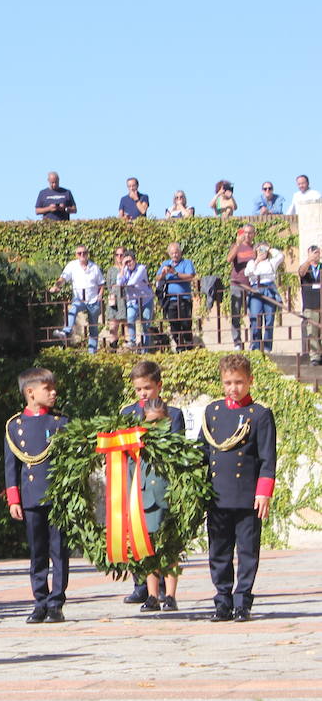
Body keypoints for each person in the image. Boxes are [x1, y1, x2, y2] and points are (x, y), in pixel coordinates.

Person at [199, 353, 275, 622]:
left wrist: (264, 492)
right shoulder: (213, 411)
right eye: (229, 382)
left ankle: (242, 601)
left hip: (246, 496)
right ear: (222, 382)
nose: (234, 388)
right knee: (218, 551)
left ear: (250, 381)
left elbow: (268, 457)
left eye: (239, 382)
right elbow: (203, 452)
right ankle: (222, 600)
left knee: (246, 552)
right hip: (218, 494)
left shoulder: (260, 415)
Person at [3, 367, 71, 624]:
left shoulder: (60, 422)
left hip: (56, 496)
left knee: (58, 551)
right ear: (30, 393)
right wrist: (14, 499)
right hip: (31, 497)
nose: (54, 393)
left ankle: (56, 603)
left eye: (54, 388)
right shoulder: (15, 426)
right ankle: (39, 601)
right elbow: (11, 466)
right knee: (37, 552)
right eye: (48, 389)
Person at [118, 360, 186, 611]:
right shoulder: (127, 414)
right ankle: (150, 594)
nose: (143, 394)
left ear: (159, 386)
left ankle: (170, 595)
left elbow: (177, 449)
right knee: (145, 543)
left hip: (165, 487)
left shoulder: (174, 414)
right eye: (138, 389)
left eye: (147, 387)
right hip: (139, 487)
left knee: (169, 543)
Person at [51, 246, 104, 353]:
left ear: (87, 254)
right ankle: (66, 332)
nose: (82, 255)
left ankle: (92, 352)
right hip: (79, 298)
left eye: (84, 253)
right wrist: (56, 286)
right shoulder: (72, 265)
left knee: (93, 326)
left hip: (93, 299)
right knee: (73, 309)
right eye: (79, 253)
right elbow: (63, 278)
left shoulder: (94, 267)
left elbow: (101, 283)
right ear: (76, 255)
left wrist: (100, 296)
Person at [155, 242, 197, 351]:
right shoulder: (166, 263)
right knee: (173, 324)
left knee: (186, 323)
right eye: (172, 253)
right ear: (169, 254)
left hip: (184, 299)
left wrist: (175, 273)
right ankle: (179, 346)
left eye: (176, 252)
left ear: (180, 252)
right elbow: (157, 278)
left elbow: (190, 277)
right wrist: (164, 274)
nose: (175, 255)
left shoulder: (186, 263)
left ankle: (189, 346)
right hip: (170, 299)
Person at [245, 243, 284, 352]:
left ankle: (267, 348)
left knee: (269, 319)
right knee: (255, 318)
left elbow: (280, 256)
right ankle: (256, 346)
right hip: (255, 288)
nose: (262, 251)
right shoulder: (252, 262)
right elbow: (247, 272)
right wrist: (257, 260)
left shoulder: (271, 262)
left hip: (269, 289)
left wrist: (270, 248)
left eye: (264, 249)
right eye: (260, 249)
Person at [116, 249, 154, 352]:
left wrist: (124, 282)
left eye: (130, 261)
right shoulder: (125, 270)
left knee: (145, 325)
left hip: (146, 299)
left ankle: (145, 350)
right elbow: (119, 283)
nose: (128, 264)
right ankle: (132, 341)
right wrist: (122, 268)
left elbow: (132, 282)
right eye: (126, 262)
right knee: (130, 318)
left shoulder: (141, 269)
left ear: (135, 260)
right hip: (132, 301)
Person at [227, 225, 256, 349]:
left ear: (254, 234)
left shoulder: (255, 248)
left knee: (253, 315)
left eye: (250, 233)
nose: (247, 235)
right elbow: (229, 259)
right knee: (236, 315)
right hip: (237, 284)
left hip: (251, 285)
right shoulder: (236, 246)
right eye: (245, 233)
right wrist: (238, 245)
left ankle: (253, 343)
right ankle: (237, 343)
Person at [299, 245, 322, 366]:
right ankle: (315, 357)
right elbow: (301, 273)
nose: (316, 255)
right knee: (312, 331)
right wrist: (309, 260)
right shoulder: (305, 267)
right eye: (313, 253)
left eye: (317, 252)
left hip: (321, 304)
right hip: (310, 305)